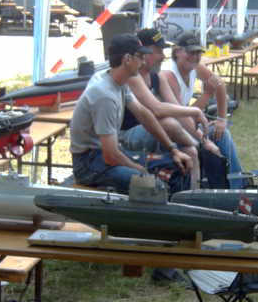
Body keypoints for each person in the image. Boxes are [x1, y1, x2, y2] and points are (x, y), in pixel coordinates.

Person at [69, 33, 192, 194]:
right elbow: (110, 156)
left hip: (105, 154)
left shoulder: (119, 81)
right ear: (127, 59)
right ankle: (160, 207)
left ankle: (175, 206)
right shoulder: (104, 96)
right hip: (89, 164)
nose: (143, 62)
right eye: (140, 57)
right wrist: (141, 170)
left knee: (177, 165)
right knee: (152, 186)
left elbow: (143, 114)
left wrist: (173, 149)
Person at [119, 28, 224, 187]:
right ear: (143, 52)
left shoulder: (157, 77)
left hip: (153, 129)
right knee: (169, 123)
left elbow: (177, 110)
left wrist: (205, 138)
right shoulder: (133, 76)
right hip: (126, 135)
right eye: (158, 51)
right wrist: (197, 119)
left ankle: (194, 194)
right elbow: (158, 109)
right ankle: (205, 158)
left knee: (191, 151)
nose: (163, 56)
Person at [159, 32, 245, 188]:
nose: (195, 56)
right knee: (213, 140)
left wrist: (221, 119)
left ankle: (235, 185)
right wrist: (205, 141)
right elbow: (181, 116)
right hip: (169, 130)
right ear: (177, 52)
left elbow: (219, 84)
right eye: (190, 52)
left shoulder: (195, 67)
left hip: (184, 123)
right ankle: (231, 187)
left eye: (198, 52)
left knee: (221, 133)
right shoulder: (169, 75)